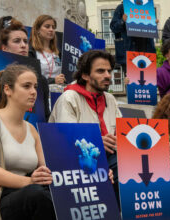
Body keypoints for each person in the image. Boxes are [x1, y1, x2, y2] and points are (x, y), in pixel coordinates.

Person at [0, 64, 56, 220]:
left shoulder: (31, 129)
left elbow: (48, 169)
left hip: (24, 196)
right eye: (26, 86)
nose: (33, 92)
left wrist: (97, 176)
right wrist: (30, 181)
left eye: (35, 87)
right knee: (37, 195)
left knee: (57, 195)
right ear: (7, 90)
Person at [49, 50, 121, 202]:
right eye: (100, 71)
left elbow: (123, 135)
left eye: (109, 70)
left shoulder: (110, 98)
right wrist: (99, 142)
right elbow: (67, 142)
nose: (107, 75)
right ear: (85, 75)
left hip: (106, 157)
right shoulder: (69, 98)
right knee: (122, 166)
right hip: (75, 162)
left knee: (133, 161)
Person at [0, 16, 51, 120]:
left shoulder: (41, 80)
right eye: (17, 41)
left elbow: (46, 118)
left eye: (25, 41)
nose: (23, 45)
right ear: (4, 48)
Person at [110, 2, 156, 73]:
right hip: (128, 53)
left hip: (147, 53)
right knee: (131, 82)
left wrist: (153, 23)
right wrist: (122, 20)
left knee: (148, 82)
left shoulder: (147, 7)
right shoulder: (122, 7)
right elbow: (114, 28)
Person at [29, 15, 65, 85]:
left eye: (53, 27)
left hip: (58, 92)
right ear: (38, 30)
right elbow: (32, 78)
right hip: (39, 92)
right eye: (47, 26)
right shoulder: (31, 51)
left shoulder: (58, 53)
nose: (51, 30)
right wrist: (53, 80)